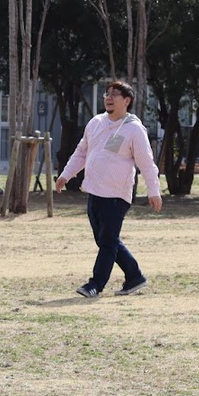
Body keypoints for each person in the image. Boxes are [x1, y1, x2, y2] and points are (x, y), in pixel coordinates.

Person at [55, 80, 163, 298]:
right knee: (106, 240)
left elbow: (147, 163)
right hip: (94, 191)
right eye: (107, 94)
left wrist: (154, 191)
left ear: (127, 101)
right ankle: (134, 276)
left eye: (115, 94)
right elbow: (81, 152)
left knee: (107, 242)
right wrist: (66, 174)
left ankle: (95, 285)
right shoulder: (96, 123)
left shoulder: (134, 129)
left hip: (117, 195)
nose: (109, 98)